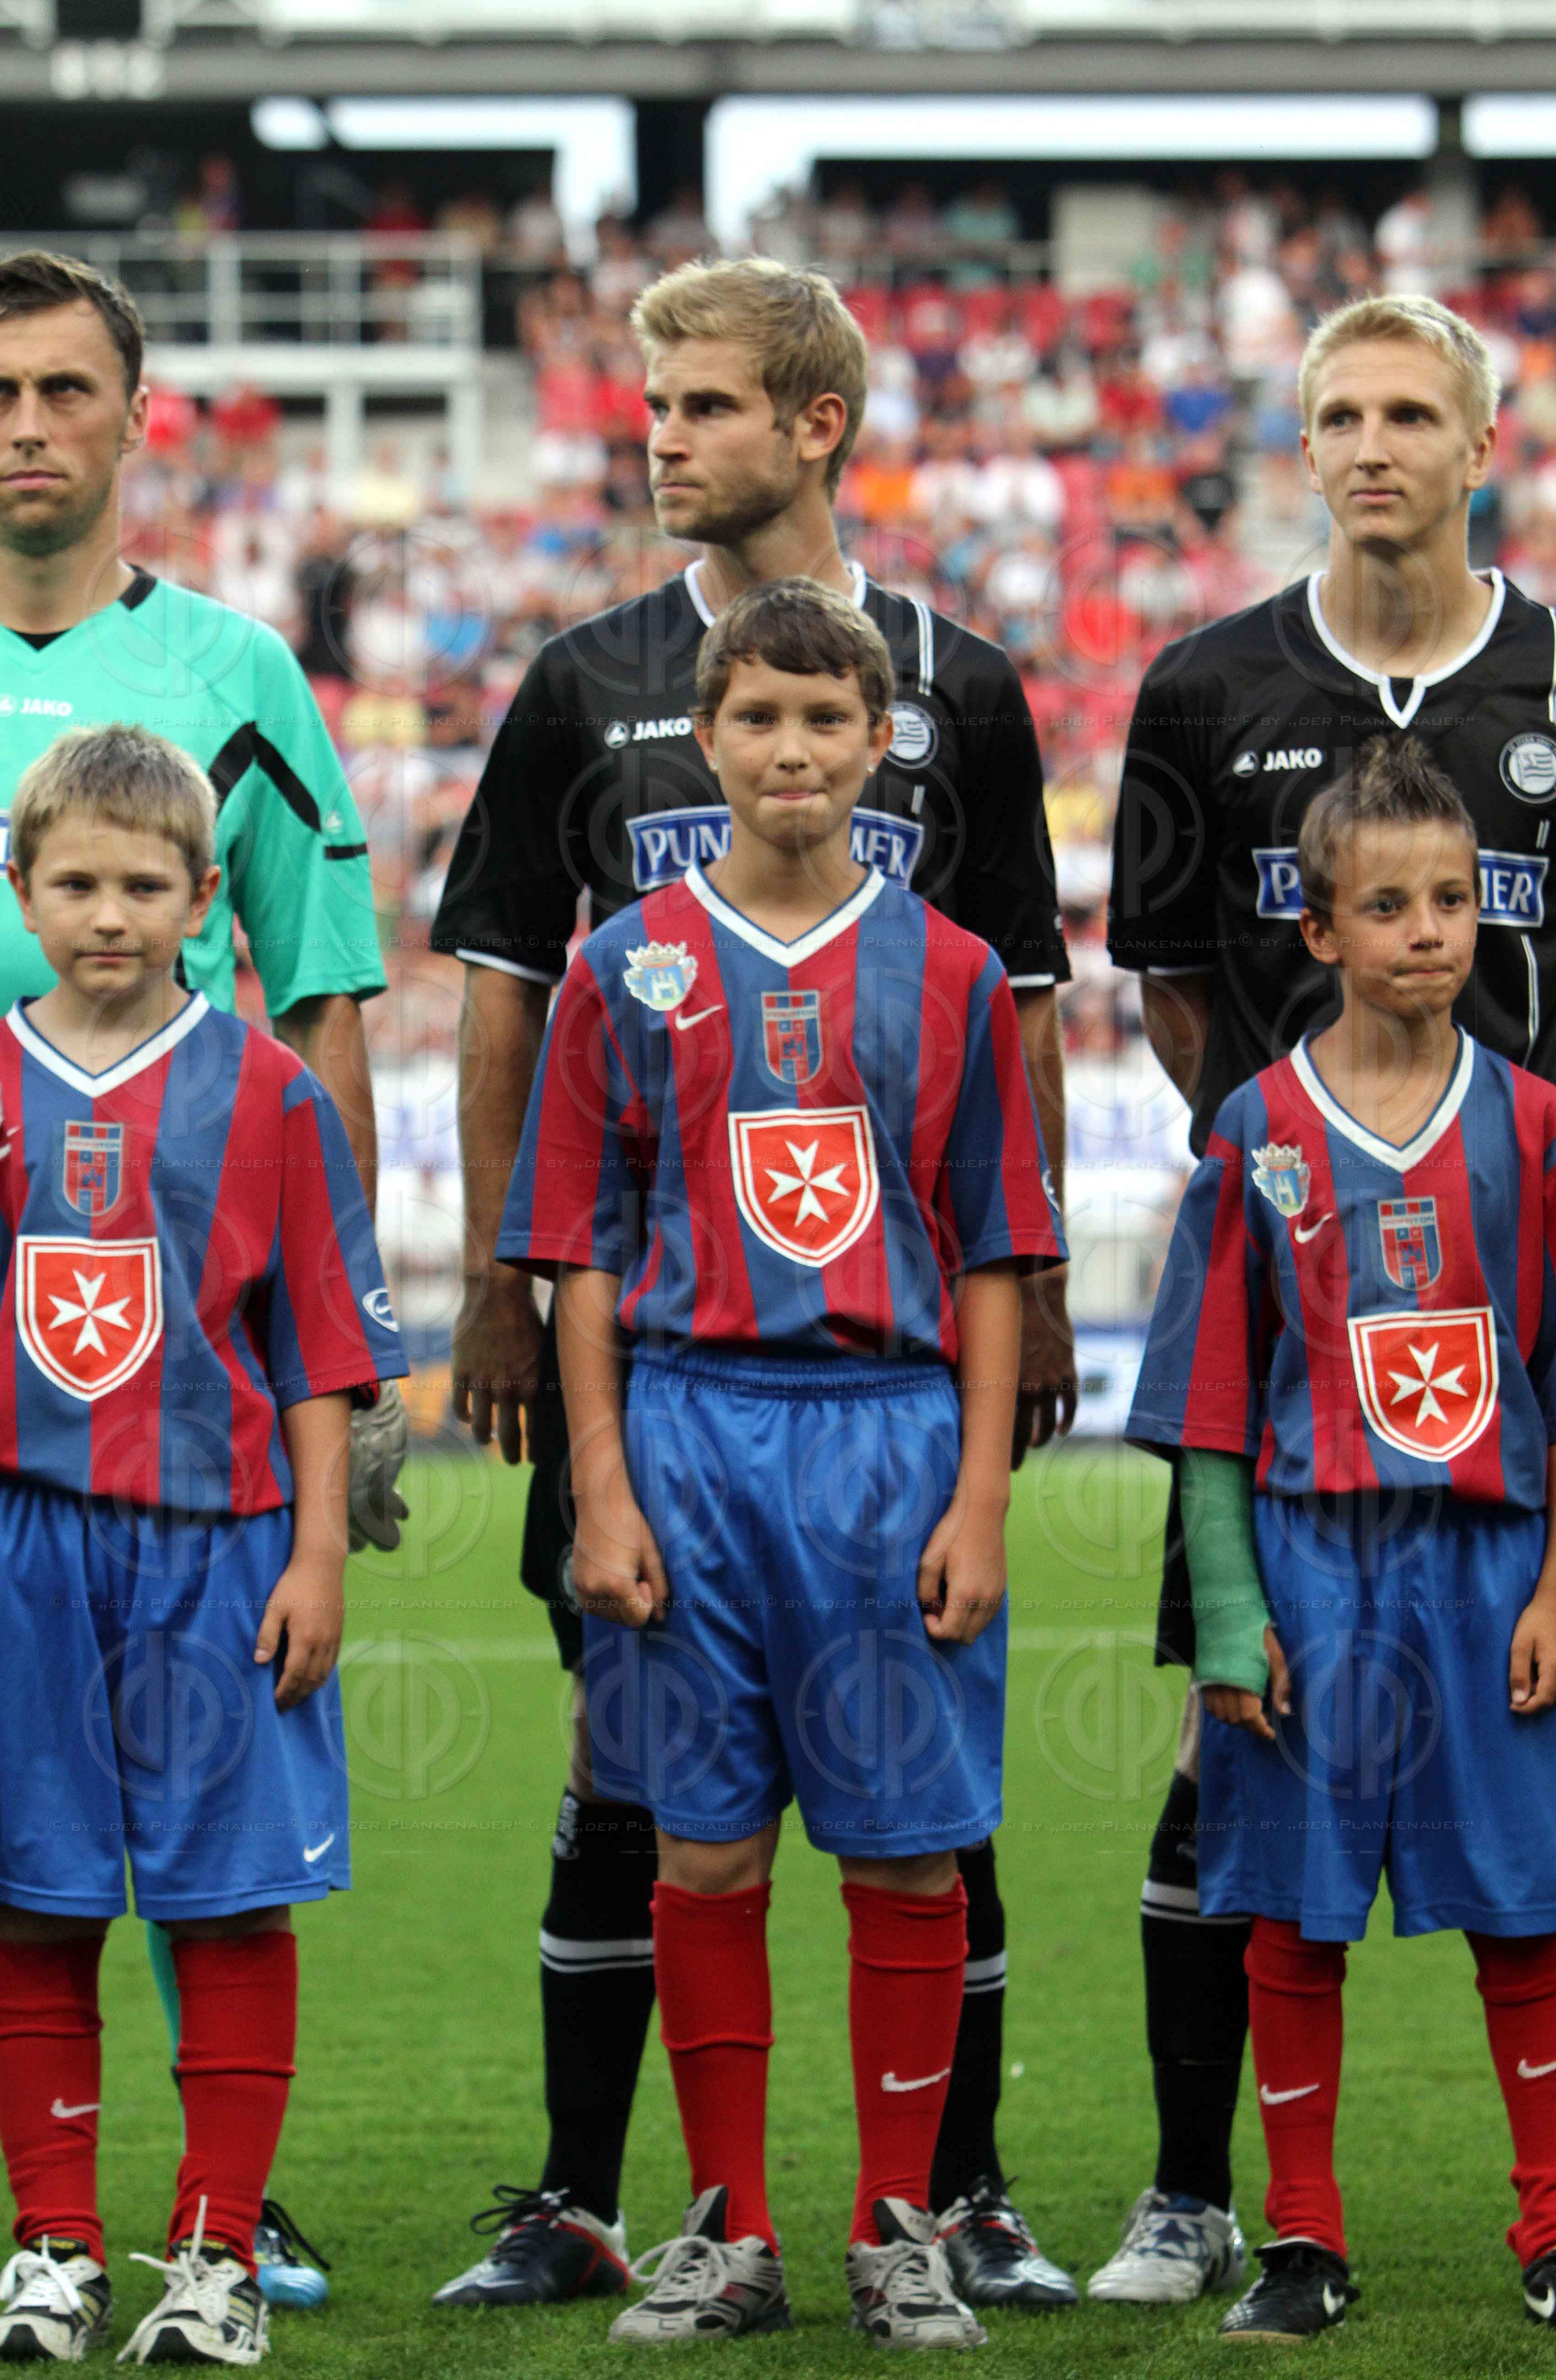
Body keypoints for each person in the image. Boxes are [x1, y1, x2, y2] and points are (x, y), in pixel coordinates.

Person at [431, 256, 1077, 2312]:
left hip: (888, 1394)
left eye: (701, 403)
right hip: (662, 1377)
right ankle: (601, 2196)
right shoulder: (579, 678)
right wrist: (501, 1292)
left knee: (914, 1805)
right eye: (652, 402)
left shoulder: (962, 683)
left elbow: (1015, 1024)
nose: (660, 435)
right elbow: (511, 1001)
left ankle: (941, 2202)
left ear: (812, 422)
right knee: (635, 1776)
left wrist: (1037, 1297)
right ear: (706, 733)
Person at [1097, 288, 1556, 2305]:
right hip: (1296, 1356)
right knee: (1241, 1789)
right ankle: (1223, 2202)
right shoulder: (1204, 689)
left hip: (1512, 1355)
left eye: (1411, 415)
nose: (1375, 447)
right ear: (1301, 447)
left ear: (1482, 442)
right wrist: (1280, 1171)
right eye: (1339, 416)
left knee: (1530, 1844)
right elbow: (1173, 985)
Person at [0, 248, 408, 2306]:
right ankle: (57, 2228)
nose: (27, 425)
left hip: (195, 1396)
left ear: (138, 416)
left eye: (65, 387)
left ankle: (219, 2215)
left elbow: (322, 1013)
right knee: (20, 1850)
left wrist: (367, 1356)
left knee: (207, 1832)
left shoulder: (238, 676)